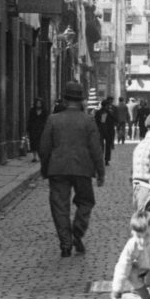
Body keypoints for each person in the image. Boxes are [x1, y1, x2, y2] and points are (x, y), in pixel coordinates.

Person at [38, 81, 106, 257]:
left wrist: (45, 167)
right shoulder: (88, 121)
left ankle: (66, 243)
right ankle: (77, 230)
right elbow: (96, 149)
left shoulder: (53, 119)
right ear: (82, 100)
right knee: (86, 202)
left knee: (59, 206)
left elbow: (44, 148)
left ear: (65, 99)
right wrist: (100, 172)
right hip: (83, 168)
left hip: (57, 169)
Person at [94, 96, 117, 166]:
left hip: (100, 131)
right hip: (106, 131)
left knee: (101, 146)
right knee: (107, 147)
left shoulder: (98, 112)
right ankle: (106, 160)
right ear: (106, 105)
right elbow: (103, 122)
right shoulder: (105, 112)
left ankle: (101, 159)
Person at [26, 97, 48, 163]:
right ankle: (34, 157)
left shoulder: (44, 111)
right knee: (33, 143)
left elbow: (46, 120)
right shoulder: (32, 110)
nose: (38, 104)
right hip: (33, 129)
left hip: (41, 129)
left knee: (40, 143)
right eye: (37, 103)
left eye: (40, 103)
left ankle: (40, 156)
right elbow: (29, 120)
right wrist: (28, 128)